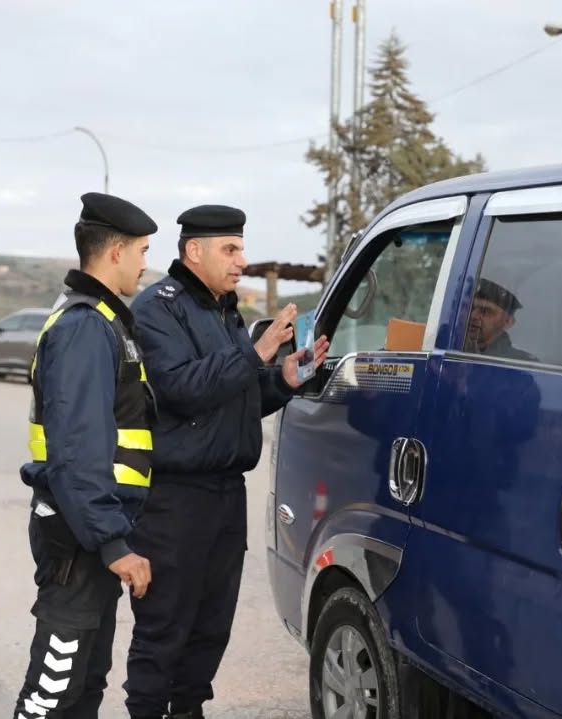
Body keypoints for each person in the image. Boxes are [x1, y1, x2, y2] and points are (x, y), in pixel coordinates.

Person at [124, 204, 329, 719]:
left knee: (211, 625)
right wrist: (256, 353)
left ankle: (188, 709)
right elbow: (182, 389)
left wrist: (284, 379)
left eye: (242, 248)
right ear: (194, 251)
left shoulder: (224, 310)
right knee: (164, 625)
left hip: (225, 494)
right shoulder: (157, 309)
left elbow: (237, 398)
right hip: (175, 499)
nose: (242, 260)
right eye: (230, 249)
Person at [14, 192, 157, 719]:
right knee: (53, 695)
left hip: (89, 532)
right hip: (78, 537)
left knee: (83, 687)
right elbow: (76, 450)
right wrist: (112, 542)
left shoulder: (104, 321)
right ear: (116, 251)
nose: (145, 264)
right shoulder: (84, 327)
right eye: (142, 251)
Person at [465, 277, 537, 361]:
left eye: (485, 311)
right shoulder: (456, 348)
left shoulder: (519, 362)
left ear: (507, 322)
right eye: (471, 308)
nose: (473, 316)